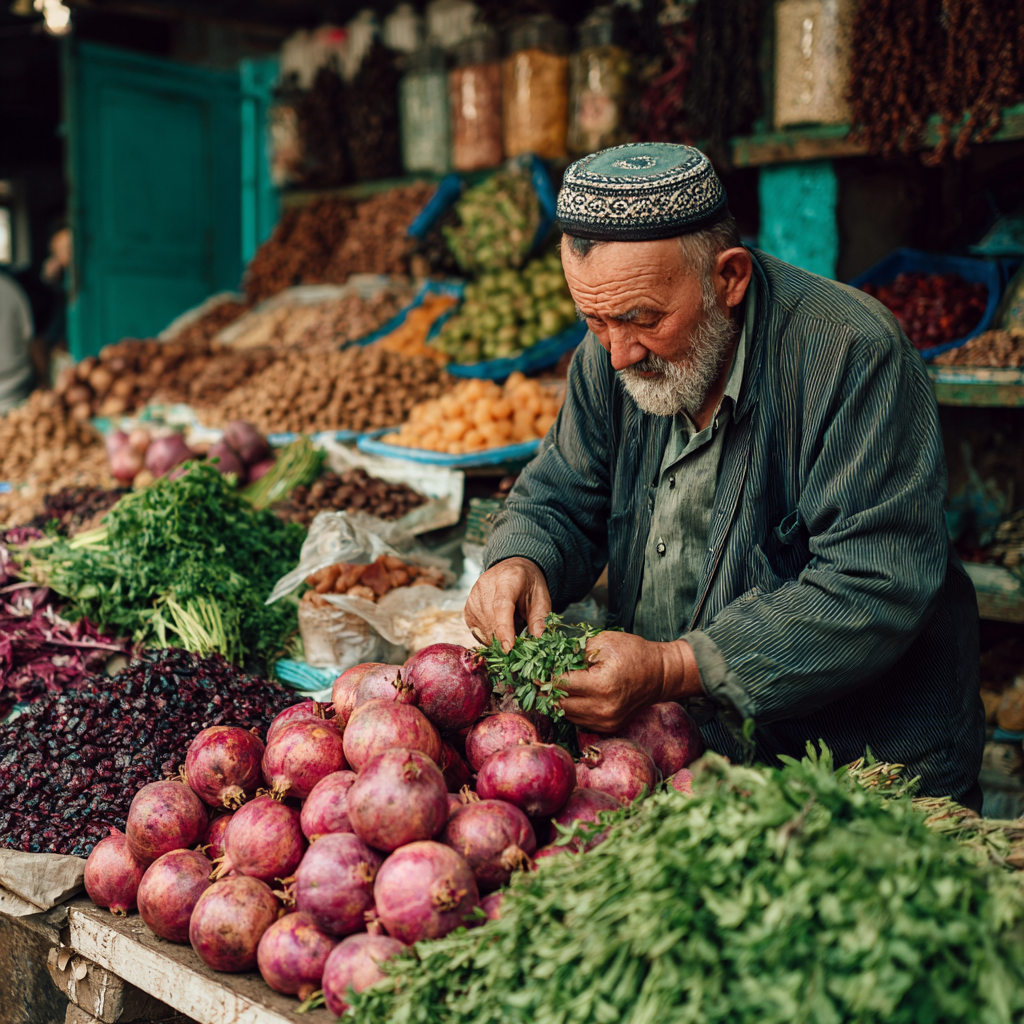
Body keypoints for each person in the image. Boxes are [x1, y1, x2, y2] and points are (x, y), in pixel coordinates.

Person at [465, 142, 984, 808]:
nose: (619, 354)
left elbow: (873, 583)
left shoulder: (851, 354)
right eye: (592, 321)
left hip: (858, 770)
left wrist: (672, 667)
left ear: (729, 278)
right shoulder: (611, 350)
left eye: (643, 319)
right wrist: (520, 561)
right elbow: (561, 493)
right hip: (691, 763)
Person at [0, 267, 34, 414]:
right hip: (16, 394)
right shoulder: (9, 287)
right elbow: (29, 339)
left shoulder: (8, 287)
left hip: (14, 396)